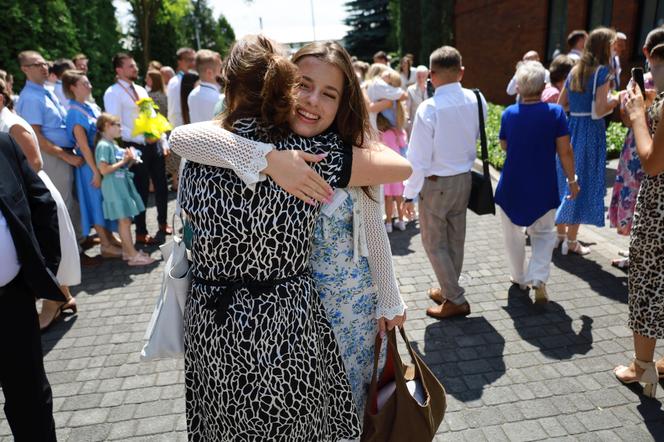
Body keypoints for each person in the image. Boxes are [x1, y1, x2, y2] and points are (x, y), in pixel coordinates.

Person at [170, 35, 409, 439]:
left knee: (329, 410)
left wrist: (390, 295)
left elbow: (374, 221)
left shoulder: (329, 150)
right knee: (294, 418)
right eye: (302, 85)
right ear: (280, 86)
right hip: (287, 311)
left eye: (328, 94)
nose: (313, 100)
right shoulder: (277, 146)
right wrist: (268, 161)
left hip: (327, 306)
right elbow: (182, 137)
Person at [403, 45, 487, 320]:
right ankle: (449, 288)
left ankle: (455, 298)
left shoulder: (429, 108)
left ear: (432, 76)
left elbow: (418, 158)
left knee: (434, 242)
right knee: (455, 239)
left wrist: (408, 193)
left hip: (436, 182)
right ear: (461, 71)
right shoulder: (477, 99)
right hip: (464, 178)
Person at [496, 61, 579, 304]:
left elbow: (504, 145)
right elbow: (566, 151)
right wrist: (572, 180)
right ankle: (539, 277)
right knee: (543, 233)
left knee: (512, 234)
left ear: (519, 87)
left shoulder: (509, 114)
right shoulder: (555, 113)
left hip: (512, 184)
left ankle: (519, 277)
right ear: (543, 86)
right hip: (543, 184)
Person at [0, 132, 64, 442]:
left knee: (31, 401)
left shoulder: (2, 144)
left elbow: (40, 201)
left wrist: (42, 271)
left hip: (12, 298)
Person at [0, 78, 79, 330]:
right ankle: (63, 297)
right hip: (21, 194)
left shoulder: (12, 125)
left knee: (45, 249)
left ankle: (53, 303)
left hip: (30, 193)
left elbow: (34, 163)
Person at [16, 51, 98, 268]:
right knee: (63, 204)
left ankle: (80, 241)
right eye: (37, 64)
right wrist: (64, 155)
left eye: (45, 63)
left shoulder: (45, 91)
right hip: (54, 156)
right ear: (25, 69)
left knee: (72, 202)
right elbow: (36, 137)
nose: (44, 67)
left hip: (64, 154)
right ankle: (74, 255)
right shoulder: (31, 97)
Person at [613, 49, 664, 398]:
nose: (651, 73)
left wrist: (638, 116)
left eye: (655, 67)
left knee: (647, 282)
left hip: (660, 209)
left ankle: (642, 367)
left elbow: (652, 162)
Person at [556, 27, 620, 255]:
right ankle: (571, 242)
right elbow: (601, 108)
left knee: (567, 179)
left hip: (571, 127)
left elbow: (561, 103)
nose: (615, 48)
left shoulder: (575, 70)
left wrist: (579, 108)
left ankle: (560, 235)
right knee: (583, 182)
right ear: (604, 46)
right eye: (612, 44)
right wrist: (617, 99)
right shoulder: (603, 72)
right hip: (591, 131)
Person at [608, 27, 664, 269]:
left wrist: (641, 111)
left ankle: (637, 255)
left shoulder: (643, 83)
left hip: (643, 154)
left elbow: (628, 120)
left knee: (639, 202)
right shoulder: (643, 83)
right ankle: (635, 251)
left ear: (647, 53)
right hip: (639, 149)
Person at [103, 52, 171, 245]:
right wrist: (142, 138)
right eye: (131, 66)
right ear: (119, 70)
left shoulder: (141, 89)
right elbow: (115, 124)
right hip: (134, 146)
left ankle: (163, 223)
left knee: (161, 186)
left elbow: (153, 117)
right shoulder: (112, 92)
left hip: (154, 144)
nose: (136, 68)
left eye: (135, 65)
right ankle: (141, 232)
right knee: (140, 190)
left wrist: (162, 140)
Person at [62, 70, 121, 258]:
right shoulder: (73, 113)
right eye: (85, 84)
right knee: (95, 203)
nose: (90, 86)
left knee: (103, 201)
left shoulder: (89, 107)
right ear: (73, 88)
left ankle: (110, 238)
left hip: (98, 160)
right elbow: (84, 147)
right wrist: (95, 172)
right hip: (89, 166)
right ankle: (105, 244)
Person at [94, 113, 156, 266]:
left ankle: (129, 253)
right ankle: (132, 255)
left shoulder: (111, 144)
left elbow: (118, 167)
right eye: (118, 125)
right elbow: (104, 169)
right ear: (108, 126)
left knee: (126, 221)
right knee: (124, 221)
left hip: (119, 186)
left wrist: (129, 161)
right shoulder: (103, 145)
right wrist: (124, 160)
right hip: (114, 188)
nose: (121, 128)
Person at [188, 49, 223, 123]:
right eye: (220, 70)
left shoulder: (192, 95)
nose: (222, 74)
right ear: (209, 73)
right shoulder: (220, 99)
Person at [167, 47, 195, 128]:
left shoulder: (195, 79)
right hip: (183, 129)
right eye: (189, 60)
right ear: (179, 61)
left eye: (194, 60)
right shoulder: (175, 82)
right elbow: (174, 112)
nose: (192, 63)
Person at [407, 65, 429, 132]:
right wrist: (408, 121)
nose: (421, 79)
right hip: (415, 123)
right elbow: (407, 107)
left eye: (423, 76)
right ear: (416, 76)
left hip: (429, 123)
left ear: (427, 76)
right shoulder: (410, 89)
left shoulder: (431, 88)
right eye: (419, 76)